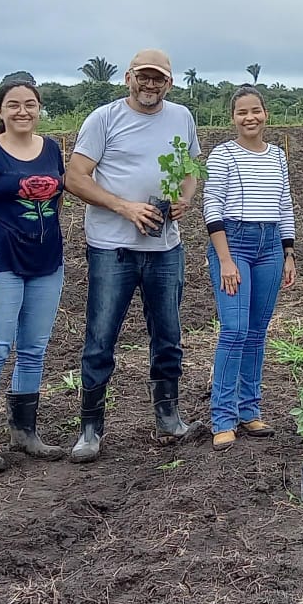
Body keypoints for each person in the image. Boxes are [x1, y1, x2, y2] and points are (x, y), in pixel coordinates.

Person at [64, 49, 205, 462]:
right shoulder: (104, 118)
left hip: (165, 248)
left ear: (169, 83)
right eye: (142, 76)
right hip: (113, 248)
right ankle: (90, 428)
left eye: (157, 78)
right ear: (128, 78)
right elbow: (74, 177)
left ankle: (168, 417)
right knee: (101, 337)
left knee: (168, 336)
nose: (149, 84)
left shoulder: (182, 117)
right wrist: (124, 207)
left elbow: (191, 169)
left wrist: (184, 199)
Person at [0, 80, 68, 470]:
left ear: (39, 109)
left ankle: (25, 433)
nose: (23, 111)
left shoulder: (52, 148)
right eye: (13, 105)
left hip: (46, 260)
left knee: (34, 348)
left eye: (30, 104)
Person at [203, 85, 297, 451]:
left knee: (257, 331)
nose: (250, 118)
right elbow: (212, 206)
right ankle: (223, 417)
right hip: (235, 242)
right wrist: (225, 259)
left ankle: (249, 410)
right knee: (234, 329)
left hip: (270, 245)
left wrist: (289, 252)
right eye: (242, 112)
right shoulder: (223, 155)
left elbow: (285, 204)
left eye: (255, 110)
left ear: (266, 114)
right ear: (233, 118)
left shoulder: (277, 156)